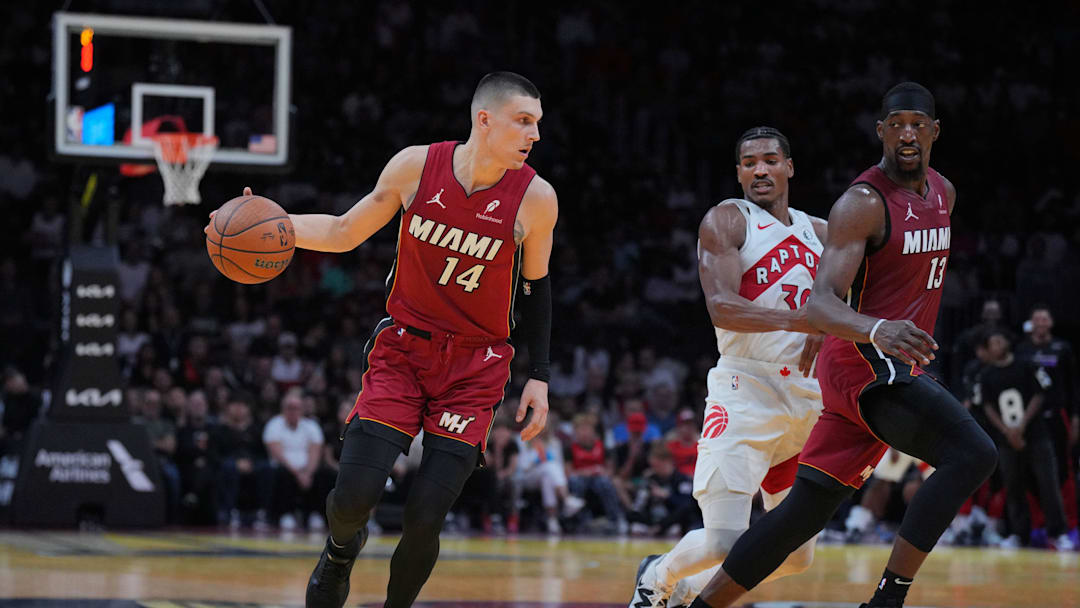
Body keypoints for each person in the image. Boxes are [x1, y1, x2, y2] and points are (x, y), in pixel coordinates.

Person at [208, 72, 557, 608]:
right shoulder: (416, 166)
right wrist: (276, 221)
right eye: (524, 121)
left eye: (536, 123)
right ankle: (341, 552)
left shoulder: (535, 199)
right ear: (484, 120)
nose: (534, 134)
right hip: (404, 350)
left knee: (424, 518)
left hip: (475, 367)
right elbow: (346, 231)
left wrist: (540, 376)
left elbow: (536, 288)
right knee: (352, 500)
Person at [684, 83, 998, 608]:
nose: (906, 134)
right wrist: (877, 329)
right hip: (865, 364)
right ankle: (886, 600)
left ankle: (703, 605)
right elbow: (823, 302)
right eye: (895, 124)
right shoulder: (861, 203)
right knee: (972, 454)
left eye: (917, 124)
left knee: (803, 516)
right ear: (881, 132)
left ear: (934, 132)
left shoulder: (944, 192)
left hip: (879, 366)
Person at [630, 126, 827, 608]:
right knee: (723, 539)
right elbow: (722, 306)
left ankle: (688, 593)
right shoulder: (727, 220)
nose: (760, 169)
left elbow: (854, 298)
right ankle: (657, 575)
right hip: (746, 388)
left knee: (798, 556)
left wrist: (832, 325)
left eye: (771, 160)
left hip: (805, 401)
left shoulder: (821, 231)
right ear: (738, 172)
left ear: (789, 167)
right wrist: (806, 319)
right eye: (749, 162)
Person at [973, 328, 1074, 549]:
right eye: (994, 341)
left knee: (1048, 484)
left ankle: (1058, 533)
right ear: (989, 349)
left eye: (1000, 339)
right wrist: (1008, 431)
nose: (998, 344)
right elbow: (987, 406)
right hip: (1006, 440)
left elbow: (1040, 394)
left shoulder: (1025, 364)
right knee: (1013, 486)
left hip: (1037, 435)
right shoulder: (987, 375)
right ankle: (1019, 535)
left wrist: (1021, 426)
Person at [1016, 305, 1079, 531]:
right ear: (1032, 324)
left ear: (1050, 323)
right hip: (1029, 418)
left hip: (1057, 415)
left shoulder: (1062, 348)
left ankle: (1069, 525)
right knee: (1029, 471)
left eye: (1045, 319)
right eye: (1037, 319)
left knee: (1063, 468)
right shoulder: (1021, 350)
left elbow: (1073, 385)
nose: (1041, 323)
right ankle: (1037, 525)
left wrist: (1075, 417)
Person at [262, 388, 327, 531]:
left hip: (306, 469)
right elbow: (277, 454)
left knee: (322, 473)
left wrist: (308, 473)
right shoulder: (274, 425)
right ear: (283, 409)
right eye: (289, 408)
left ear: (302, 409)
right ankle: (286, 514)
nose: (293, 411)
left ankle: (315, 514)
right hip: (285, 467)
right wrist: (298, 474)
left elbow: (315, 452)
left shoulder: (312, 426)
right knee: (282, 474)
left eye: (296, 408)